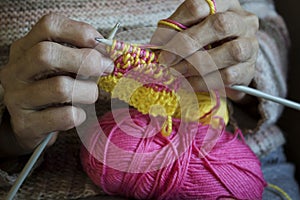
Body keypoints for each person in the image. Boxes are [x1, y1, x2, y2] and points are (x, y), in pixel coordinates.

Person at [0, 0, 299, 199]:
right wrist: (7, 127)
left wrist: (243, 66)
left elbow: (267, 25)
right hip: (41, 180)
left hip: (236, 163)